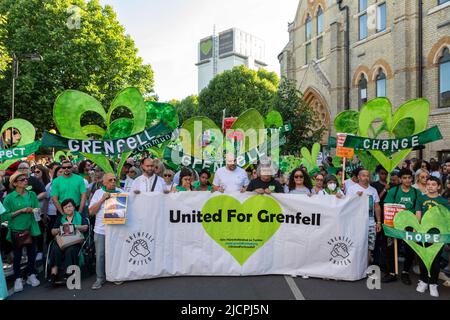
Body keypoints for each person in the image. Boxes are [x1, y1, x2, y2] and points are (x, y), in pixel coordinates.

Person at [0, 172, 41, 292]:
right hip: (16, 229)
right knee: (17, 255)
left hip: (31, 227)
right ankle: (18, 278)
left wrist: (35, 210)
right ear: (15, 183)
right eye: (22, 180)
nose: (25, 181)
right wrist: (21, 211)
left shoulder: (32, 194)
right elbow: (4, 217)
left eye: (26, 179)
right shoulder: (9, 198)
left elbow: (37, 209)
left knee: (32, 253)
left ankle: (30, 274)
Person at [381, 169, 419, 285]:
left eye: (409, 177)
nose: (407, 180)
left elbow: (417, 210)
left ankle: (405, 272)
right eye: (404, 178)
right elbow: (387, 206)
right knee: (391, 249)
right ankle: (392, 272)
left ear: (412, 178)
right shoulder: (393, 191)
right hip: (394, 225)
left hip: (409, 226)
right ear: (400, 179)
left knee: (409, 250)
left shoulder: (416, 193)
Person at [415, 176, 450, 297]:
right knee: (423, 260)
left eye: (433, 184)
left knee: (435, 261)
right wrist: (416, 230)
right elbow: (418, 216)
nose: (430, 186)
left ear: (439, 187)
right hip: (423, 235)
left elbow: (446, 219)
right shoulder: (421, 199)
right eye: (428, 184)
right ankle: (423, 281)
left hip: (437, 236)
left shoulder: (444, 201)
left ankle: (433, 284)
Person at [89, 173, 124, 290]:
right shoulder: (98, 193)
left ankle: (115, 276)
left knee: (115, 253)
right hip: (101, 230)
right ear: (104, 182)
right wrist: (102, 199)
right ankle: (100, 278)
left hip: (116, 229)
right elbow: (91, 212)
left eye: (115, 180)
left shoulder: (120, 191)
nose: (113, 182)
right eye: (110, 180)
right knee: (100, 255)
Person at [47, 199, 88, 286]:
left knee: (70, 250)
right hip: (62, 241)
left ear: (74, 207)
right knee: (55, 248)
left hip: (75, 241)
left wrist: (72, 226)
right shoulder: (60, 218)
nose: (68, 209)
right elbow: (52, 231)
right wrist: (61, 228)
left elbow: (85, 227)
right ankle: (54, 273)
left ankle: (68, 273)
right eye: (65, 207)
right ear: (63, 209)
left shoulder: (80, 216)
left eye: (70, 206)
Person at [346, 169, 382, 265]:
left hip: (370, 223)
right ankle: (355, 266)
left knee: (369, 247)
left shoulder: (373, 190)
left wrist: (378, 222)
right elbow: (347, 205)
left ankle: (366, 267)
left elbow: (377, 206)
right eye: (363, 175)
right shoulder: (352, 189)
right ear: (358, 177)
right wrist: (355, 197)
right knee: (356, 245)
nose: (366, 178)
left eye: (367, 176)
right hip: (356, 223)